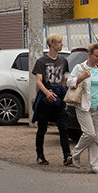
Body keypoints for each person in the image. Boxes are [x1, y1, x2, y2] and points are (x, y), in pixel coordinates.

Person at [67, 42, 98, 174]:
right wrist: (81, 77)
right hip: (84, 105)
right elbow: (69, 82)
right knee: (89, 133)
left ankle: (94, 165)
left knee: (96, 137)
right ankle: (76, 153)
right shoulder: (80, 67)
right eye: (96, 56)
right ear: (89, 54)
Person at [31, 33, 71, 166]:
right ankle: (40, 155)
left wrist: (65, 95)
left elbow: (63, 79)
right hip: (45, 98)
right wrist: (47, 93)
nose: (61, 45)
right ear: (52, 44)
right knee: (42, 127)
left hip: (59, 96)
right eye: (59, 42)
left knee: (63, 126)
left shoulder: (63, 61)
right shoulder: (41, 61)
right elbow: (38, 80)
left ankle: (67, 155)